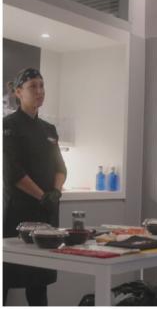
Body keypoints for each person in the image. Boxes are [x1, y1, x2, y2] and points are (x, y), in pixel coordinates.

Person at [3, 68, 67, 306]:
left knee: (39, 283)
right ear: (18, 92)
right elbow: (13, 173)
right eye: (33, 86)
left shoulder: (49, 130)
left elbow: (61, 167)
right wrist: (43, 196)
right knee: (7, 279)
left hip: (46, 214)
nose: (39, 91)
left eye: (42, 85)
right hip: (18, 214)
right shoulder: (7, 126)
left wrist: (56, 193)